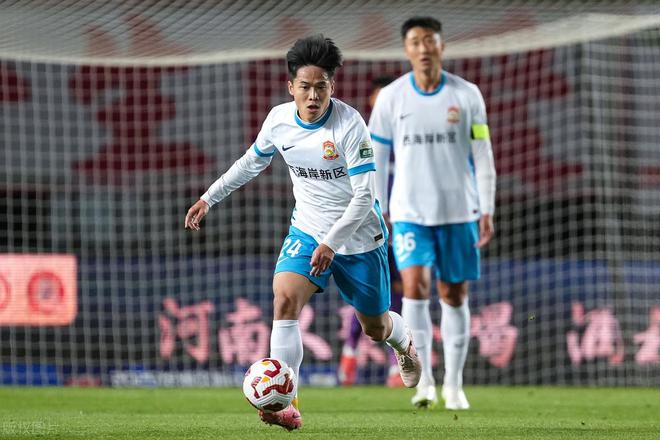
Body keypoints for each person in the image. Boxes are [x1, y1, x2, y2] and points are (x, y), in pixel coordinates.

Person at [185, 35, 421, 430]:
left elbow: (365, 197)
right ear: (290, 87)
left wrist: (333, 243)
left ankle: (404, 340)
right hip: (308, 229)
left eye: (321, 87)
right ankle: (285, 404)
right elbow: (250, 163)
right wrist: (209, 198)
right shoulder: (279, 121)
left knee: (375, 327)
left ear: (332, 86)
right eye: (305, 87)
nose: (313, 96)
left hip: (358, 238)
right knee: (284, 300)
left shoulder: (350, 125)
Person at [369, 17, 496, 410]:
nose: (423, 48)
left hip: (459, 211)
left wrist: (487, 206)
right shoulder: (391, 97)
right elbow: (376, 157)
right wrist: (378, 207)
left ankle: (454, 385)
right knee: (415, 288)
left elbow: (482, 153)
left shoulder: (467, 94)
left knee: (454, 294)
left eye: (429, 40)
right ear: (406, 49)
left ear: (442, 46)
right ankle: (423, 382)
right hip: (409, 212)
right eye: (415, 41)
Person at [337, 76, 406, 388]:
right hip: (369, 226)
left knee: (400, 289)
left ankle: (396, 363)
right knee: (367, 291)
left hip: (402, 225)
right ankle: (350, 352)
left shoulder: (405, 139)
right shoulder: (360, 137)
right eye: (379, 99)